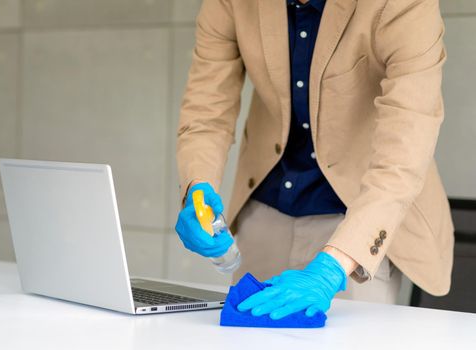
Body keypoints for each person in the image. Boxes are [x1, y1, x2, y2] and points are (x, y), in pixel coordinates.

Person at [175, 0, 454, 320]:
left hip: (359, 214)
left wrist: (332, 267)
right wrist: (197, 185)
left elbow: (404, 150)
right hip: (266, 205)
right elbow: (206, 112)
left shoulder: (403, 4)